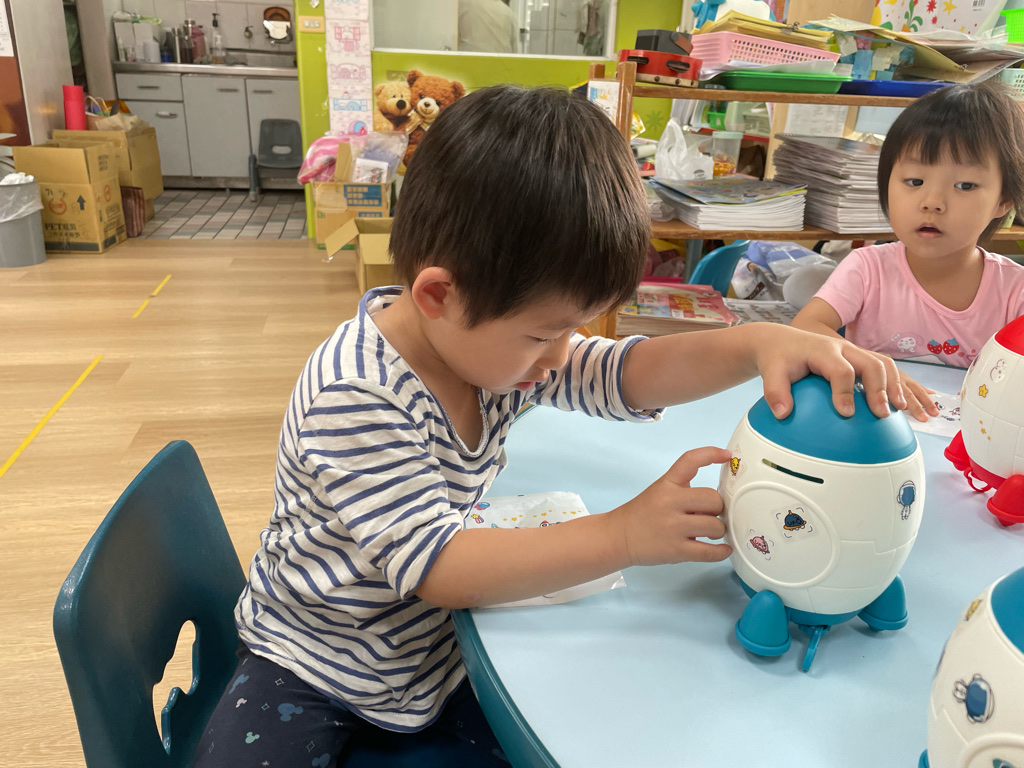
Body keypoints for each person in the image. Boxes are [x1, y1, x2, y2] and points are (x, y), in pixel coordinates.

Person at [194, 84, 906, 768]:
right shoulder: (355, 393)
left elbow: (627, 373)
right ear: (439, 295)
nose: (563, 356)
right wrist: (623, 536)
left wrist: (759, 344)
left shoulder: (494, 351)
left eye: (573, 328)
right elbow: (441, 567)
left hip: (439, 654)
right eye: (546, 333)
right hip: (315, 660)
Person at [792, 81, 1024, 421]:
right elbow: (803, 328)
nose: (932, 202)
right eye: (914, 181)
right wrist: (871, 365)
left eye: (965, 185)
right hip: (871, 425)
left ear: (1003, 201)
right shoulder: (867, 268)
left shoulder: (1014, 291)